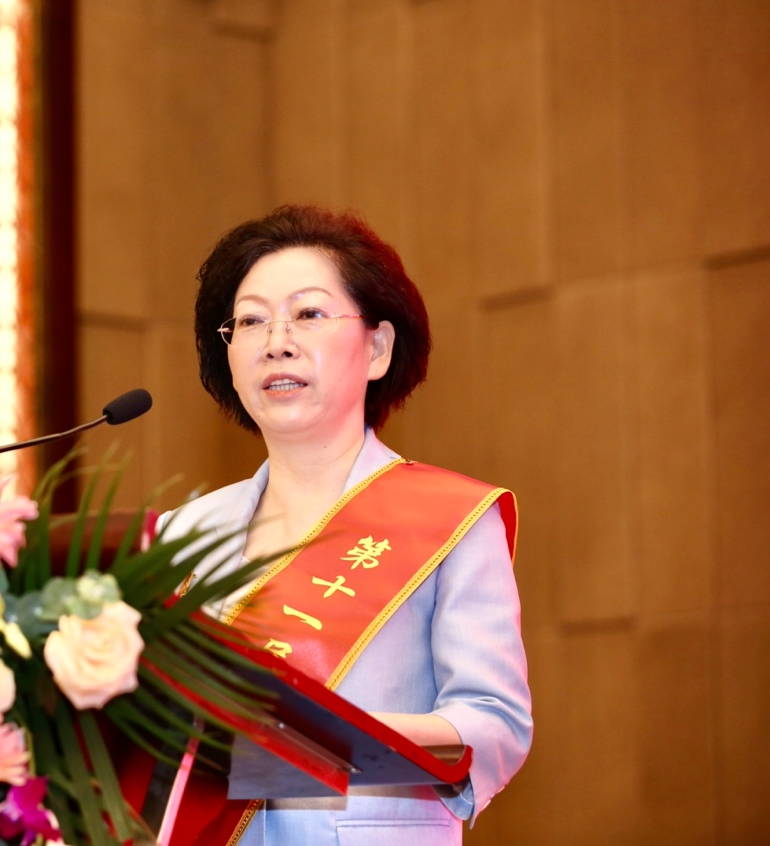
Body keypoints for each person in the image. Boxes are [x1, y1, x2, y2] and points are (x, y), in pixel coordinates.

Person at [156, 205, 532, 845]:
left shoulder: (451, 520)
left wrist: (320, 740)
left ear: (377, 348)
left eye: (308, 314)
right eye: (250, 320)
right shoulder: (179, 533)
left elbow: (493, 727)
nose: (276, 341)